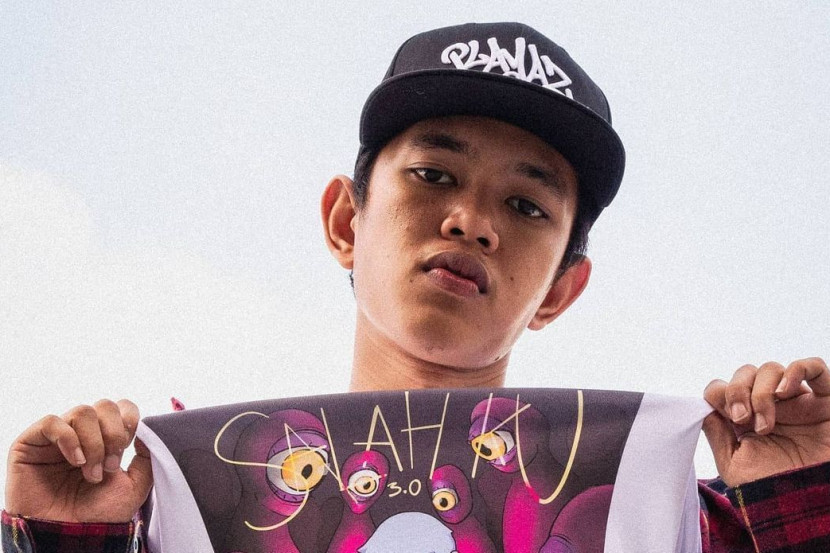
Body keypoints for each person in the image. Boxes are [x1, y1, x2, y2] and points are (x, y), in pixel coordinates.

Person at [3, 21, 829, 553]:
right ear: (345, 219)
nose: (471, 221)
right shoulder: (181, 500)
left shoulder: (685, 522)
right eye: (434, 173)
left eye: (526, 204)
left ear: (561, 289)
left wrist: (802, 495)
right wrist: (57, 535)